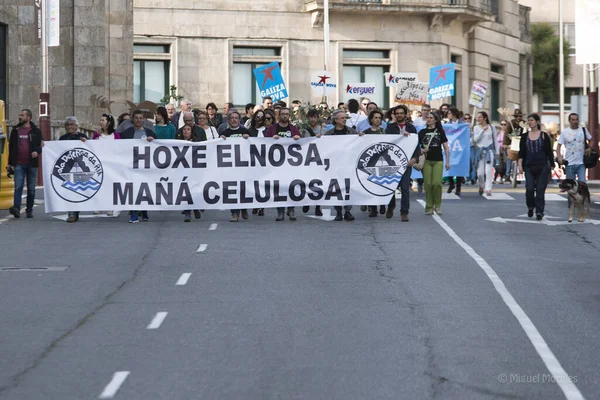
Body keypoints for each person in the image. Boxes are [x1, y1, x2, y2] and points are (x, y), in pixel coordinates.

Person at [382, 105, 420, 221]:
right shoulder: (390, 128)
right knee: (391, 187)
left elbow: (416, 145)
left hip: (406, 163)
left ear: (405, 114)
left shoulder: (411, 128)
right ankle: (391, 205)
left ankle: (404, 212)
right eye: (397, 113)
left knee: (405, 188)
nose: (399, 115)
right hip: (392, 162)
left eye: (401, 113)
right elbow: (386, 143)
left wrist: (415, 158)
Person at [265, 107, 302, 221]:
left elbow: (302, 143)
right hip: (276, 164)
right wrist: (271, 139)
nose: (285, 116)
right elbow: (263, 143)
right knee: (279, 188)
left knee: (291, 187)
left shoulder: (293, 129)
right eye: (283, 114)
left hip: (291, 165)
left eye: (287, 114)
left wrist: (297, 138)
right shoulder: (272, 129)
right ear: (279, 116)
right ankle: (280, 211)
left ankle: (291, 210)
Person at [121, 110, 157, 223]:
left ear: (144, 119)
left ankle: (144, 210)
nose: (138, 120)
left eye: (141, 118)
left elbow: (158, 146)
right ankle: (134, 214)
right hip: (132, 165)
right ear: (132, 119)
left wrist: (153, 140)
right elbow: (118, 143)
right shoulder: (127, 132)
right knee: (133, 189)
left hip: (146, 166)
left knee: (144, 189)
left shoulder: (149, 132)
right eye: (136, 118)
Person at [7, 109, 43, 219]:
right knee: (18, 187)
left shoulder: (35, 131)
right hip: (18, 164)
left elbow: (41, 144)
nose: (20, 117)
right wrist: (10, 163)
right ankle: (16, 208)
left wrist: (37, 152)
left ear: (29, 117)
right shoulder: (15, 130)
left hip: (31, 164)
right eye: (20, 114)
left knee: (31, 188)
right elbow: (11, 147)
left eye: (22, 115)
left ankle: (29, 210)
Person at [518, 113, 554, 220]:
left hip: (542, 166)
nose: (529, 122)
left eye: (532, 120)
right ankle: (530, 206)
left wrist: (552, 165)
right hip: (528, 166)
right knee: (529, 188)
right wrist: (520, 165)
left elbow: (549, 152)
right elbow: (521, 153)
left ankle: (539, 212)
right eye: (528, 120)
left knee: (540, 189)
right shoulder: (524, 137)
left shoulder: (544, 136)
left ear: (537, 122)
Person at [219, 111, 251, 222]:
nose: (234, 120)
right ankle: (234, 213)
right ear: (228, 120)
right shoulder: (225, 133)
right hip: (230, 167)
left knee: (242, 189)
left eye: (236, 118)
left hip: (243, 166)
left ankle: (243, 208)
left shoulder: (245, 131)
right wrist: (220, 140)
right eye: (231, 118)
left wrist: (249, 138)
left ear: (239, 120)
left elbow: (254, 146)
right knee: (232, 190)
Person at [326, 110, 357, 221]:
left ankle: (347, 210)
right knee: (336, 189)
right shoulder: (329, 134)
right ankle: (338, 211)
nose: (344, 120)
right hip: (335, 165)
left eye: (345, 118)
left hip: (348, 165)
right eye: (342, 118)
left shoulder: (352, 132)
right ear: (336, 120)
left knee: (348, 187)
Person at [58, 117, 89, 223]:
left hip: (79, 168)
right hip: (67, 168)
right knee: (69, 190)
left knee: (78, 191)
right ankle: (72, 213)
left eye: (71, 124)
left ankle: (75, 212)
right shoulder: (62, 138)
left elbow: (90, 149)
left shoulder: (82, 136)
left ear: (76, 126)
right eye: (67, 125)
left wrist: (85, 141)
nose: (69, 127)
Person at [419, 112, 450, 215]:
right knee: (427, 184)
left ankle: (437, 205)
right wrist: (421, 150)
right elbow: (416, 146)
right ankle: (429, 207)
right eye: (427, 118)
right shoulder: (422, 132)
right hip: (426, 160)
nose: (428, 119)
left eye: (431, 118)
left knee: (436, 183)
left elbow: (446, 147)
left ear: (435, 120)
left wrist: (447, 162)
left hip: (438, 160)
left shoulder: (440, 131)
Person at [557, 113, 592, 183]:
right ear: (569, 121)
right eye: (573, 120)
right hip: (569, 163)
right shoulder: (565, 132)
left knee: (582, 183)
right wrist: (559, 157)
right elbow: (558, 146)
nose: (575, 122)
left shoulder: (583, 130)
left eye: (576, 120)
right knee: (570, 185)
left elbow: (591, 140)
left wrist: (589, 147)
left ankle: (581, 194)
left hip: (581, 163)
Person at [178, 124, 202, 222]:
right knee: (185, 190)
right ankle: (187, 212)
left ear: (191, 132)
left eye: (188, 129)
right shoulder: (177, 143)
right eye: (184, 129)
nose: (186, 131)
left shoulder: (197, 143)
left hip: (194, 170)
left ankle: (195, 207)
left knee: (193, 190)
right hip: (182, 170)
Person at [473, 111, 498, 196]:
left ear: (485, 118)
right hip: (480, 151)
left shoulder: (492, 127)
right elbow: (476, 139)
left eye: (480, 117)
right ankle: (481, 185)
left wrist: (497, 152)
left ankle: (488, 189)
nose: (478, 119)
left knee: (488, 171)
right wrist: (482, 131)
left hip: (489, 151)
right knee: (480, 173)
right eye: (477, 117)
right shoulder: (476, 128)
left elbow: (495, 140)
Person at [445, 107, 465, 195]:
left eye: (449, 113)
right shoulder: (446, 124)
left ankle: (458, 187)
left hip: (459, 148)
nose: (448, 115)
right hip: (450, 147)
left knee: (459, 167)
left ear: (454, 114)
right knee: (449, 166)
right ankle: (451, 183)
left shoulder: (462, 124)